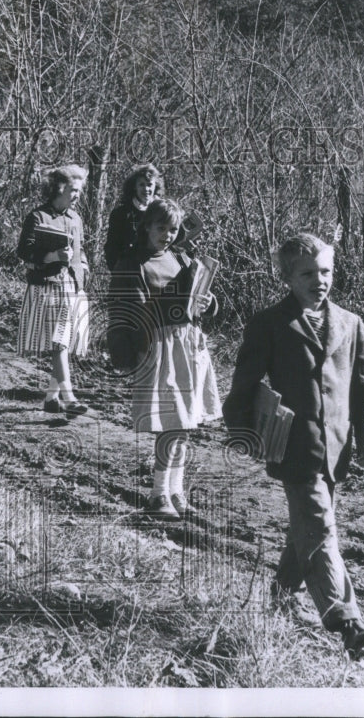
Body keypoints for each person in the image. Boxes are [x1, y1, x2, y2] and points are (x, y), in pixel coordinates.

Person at [222, 232, 364, 659]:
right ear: (287, 277)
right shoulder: (269, 323)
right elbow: (245, 384)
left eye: (326, 271)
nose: (319, 280)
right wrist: (242, 430)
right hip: (293, 446)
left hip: (336, 447)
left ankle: (278, 595)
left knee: (307, 532)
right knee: (321, 527)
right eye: (307, 273)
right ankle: (347, 620)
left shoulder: (351, 323)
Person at [108, 198, 220, 520]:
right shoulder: (134, 263)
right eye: (161, 228)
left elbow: (197, 303)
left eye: (173, 229)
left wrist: (206, 302)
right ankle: (158, 495)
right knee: (170, 423)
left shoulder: (181, 257)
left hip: (187, 344)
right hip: (158, 346)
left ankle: (176, 491)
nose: (168, 235)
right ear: (146, 227)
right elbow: (128, 313)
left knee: (184, 423)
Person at [16, 165, 91, 417]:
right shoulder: (37, 217)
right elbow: (24, 253)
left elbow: (80, 251)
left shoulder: (76, 219)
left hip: (72, 287)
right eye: (73, 190)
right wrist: (51, 255)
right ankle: (69, 398)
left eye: (79, 191)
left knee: (65, 343)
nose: (77, 195)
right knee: (59, 343)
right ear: (59, 188)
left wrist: (83, 266)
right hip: (47, 287)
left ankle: (51, 397)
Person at [103, 163, 163, 271]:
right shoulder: (121, 214)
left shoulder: (161, 212)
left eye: (149, 184)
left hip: (156, 270)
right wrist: (119, 273)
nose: (146, 189)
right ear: (134, 187)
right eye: (141, 184)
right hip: (129, 272)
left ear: (156, 186)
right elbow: (111, 249)